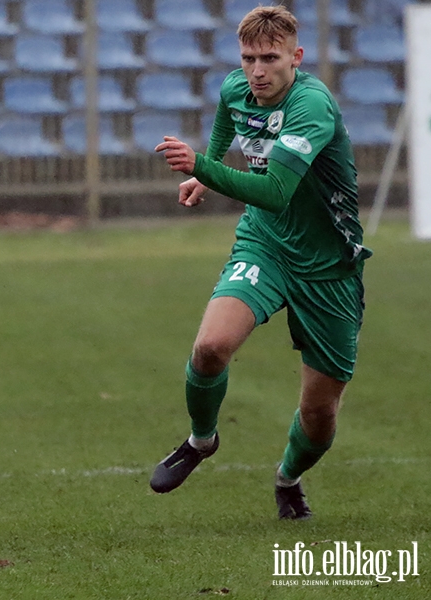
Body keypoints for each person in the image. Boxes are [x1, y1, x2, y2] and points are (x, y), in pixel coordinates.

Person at [151, 5, 370, 519]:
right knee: (210, 347)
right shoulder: (237, 87)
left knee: (319, 415)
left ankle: (287, 478)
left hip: (328, 266)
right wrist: (207, 170)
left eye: (270, 58)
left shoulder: (311, 106)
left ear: (296, 57)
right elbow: (229, 120)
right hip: (265, 244)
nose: (257, 70)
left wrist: (201, 166)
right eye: (249, 58)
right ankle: (201, 440)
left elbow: (274, 190)